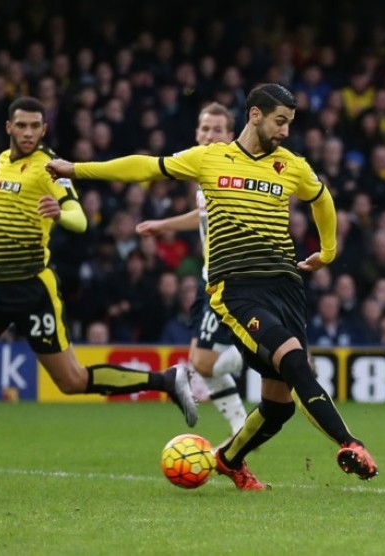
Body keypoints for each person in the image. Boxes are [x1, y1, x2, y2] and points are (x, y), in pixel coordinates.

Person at [46, 83, 378, 490]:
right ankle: (350, 443)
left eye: (290, 123)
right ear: (255, 114)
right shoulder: (209, 158)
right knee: (294, 363)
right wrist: (77, 169)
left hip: (286, 288)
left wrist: (327, 252)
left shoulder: (292, 165)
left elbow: (322, 199)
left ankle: (228, 459)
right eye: (280, 121)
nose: (286, 131)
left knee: (278, 406)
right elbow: (144, 166)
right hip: (236, 288)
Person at [0, 97, 198, 429]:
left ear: (44, 128)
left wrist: (61, 213)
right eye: (21, 125)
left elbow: (79, 219)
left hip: (32, 289)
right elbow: (17, 204)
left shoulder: (49, 166)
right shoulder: (4, 159)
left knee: (71, 380)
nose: (28, 132)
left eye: (35, 126)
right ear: (8, 127)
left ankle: (165, 381)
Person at [135, 103, 248, 443]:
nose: (209, 135)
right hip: (209, 276)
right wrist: (164, 225)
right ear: (196, 133)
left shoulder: (234, 174)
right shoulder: (205, 176)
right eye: (204, 129)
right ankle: (240, 427)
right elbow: (202, 215)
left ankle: (258, 353)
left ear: (231, 137)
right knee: (202, 359)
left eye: (217, 130)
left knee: (201, 361)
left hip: (233, 277)